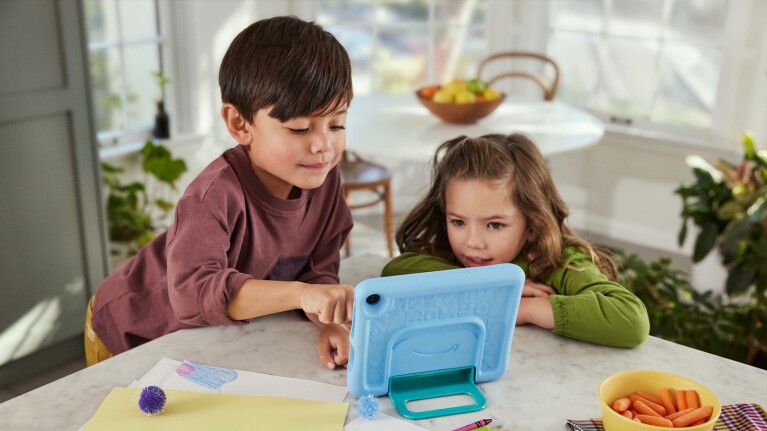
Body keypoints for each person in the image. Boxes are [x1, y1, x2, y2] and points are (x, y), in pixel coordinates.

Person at [86, 16, 355, 369]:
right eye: (300, 128)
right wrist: (301, 295)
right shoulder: (213, 196)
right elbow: (193, 293)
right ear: (240, 124)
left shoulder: (322, 180)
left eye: (337, 124)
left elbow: (317, 273)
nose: (324, 145)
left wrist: (329, 321)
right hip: (129, 327)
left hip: (204, 339)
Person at [382, 133, 649, 348]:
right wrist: (493, 289)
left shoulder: (560, 262)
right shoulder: (453, 253)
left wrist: (522, 308)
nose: (473, 242)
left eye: (495, 225)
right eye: (458, 222)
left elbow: (630, 319)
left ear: (533, 225)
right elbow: (396, 270)